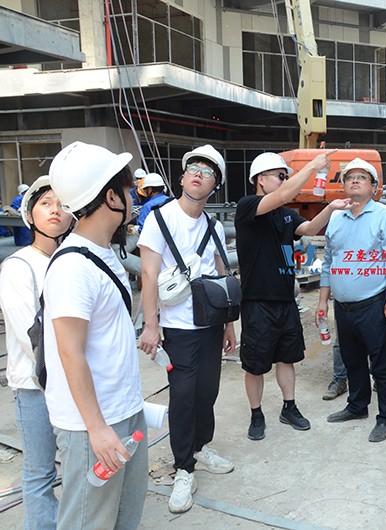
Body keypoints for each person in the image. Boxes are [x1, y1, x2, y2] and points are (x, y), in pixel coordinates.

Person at [45, 141, 148, 529]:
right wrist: (97, 429)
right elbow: (70, 353)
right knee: (87, 522)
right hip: (94, 425)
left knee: (122, 518)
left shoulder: (103, 252)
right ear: (110, 196)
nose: (133, 196)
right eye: (127, 189)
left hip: (124, 411)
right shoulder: (73, 267)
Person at [138, 144, 237, 514]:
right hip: (177, 326)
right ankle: (183, 467)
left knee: (207, 390)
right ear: (182, 177)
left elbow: (221, 275)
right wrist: (151, 325)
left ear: (215, 186)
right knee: (182, 395)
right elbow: (148, 273)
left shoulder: (212, 226)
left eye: (208, 172)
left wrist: (228, 326)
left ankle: (200, 445)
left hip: (209, 322)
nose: (198, 173)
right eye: (193, 168)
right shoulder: (160, 219)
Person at [235, 150, 352, 440]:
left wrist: (332, 207)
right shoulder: (248, 207)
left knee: (286, 358)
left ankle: (289, 407)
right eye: (279, 175)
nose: (284, 180)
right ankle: (256, 413)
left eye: (285, 175)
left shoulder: (285, 215)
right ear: (260, 179)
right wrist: (312, 166)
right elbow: (284, 194)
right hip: (257, 301)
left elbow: (309, 229)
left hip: (286, 300)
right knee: (255, 364)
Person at [0, 176, 72, 530]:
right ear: (29, 214)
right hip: (36, 387)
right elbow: (29, 335)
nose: (55, 209)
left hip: (73, 384)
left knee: (77, 468)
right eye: (45, 203)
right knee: (41, 471)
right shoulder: (18, 266)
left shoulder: (72, 261)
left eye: (62, 203)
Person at [316, 157, 386, 443]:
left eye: (361, 177)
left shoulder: (385, 217)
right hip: (343, 305)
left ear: (374, 187)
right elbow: (329, 260)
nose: (354, 180)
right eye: (349, 177)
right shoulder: (336, 217)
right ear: (342, 185)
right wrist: (323, 299)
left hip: (375, 303)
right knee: (353, 360)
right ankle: (357, 406)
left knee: (382, 364)